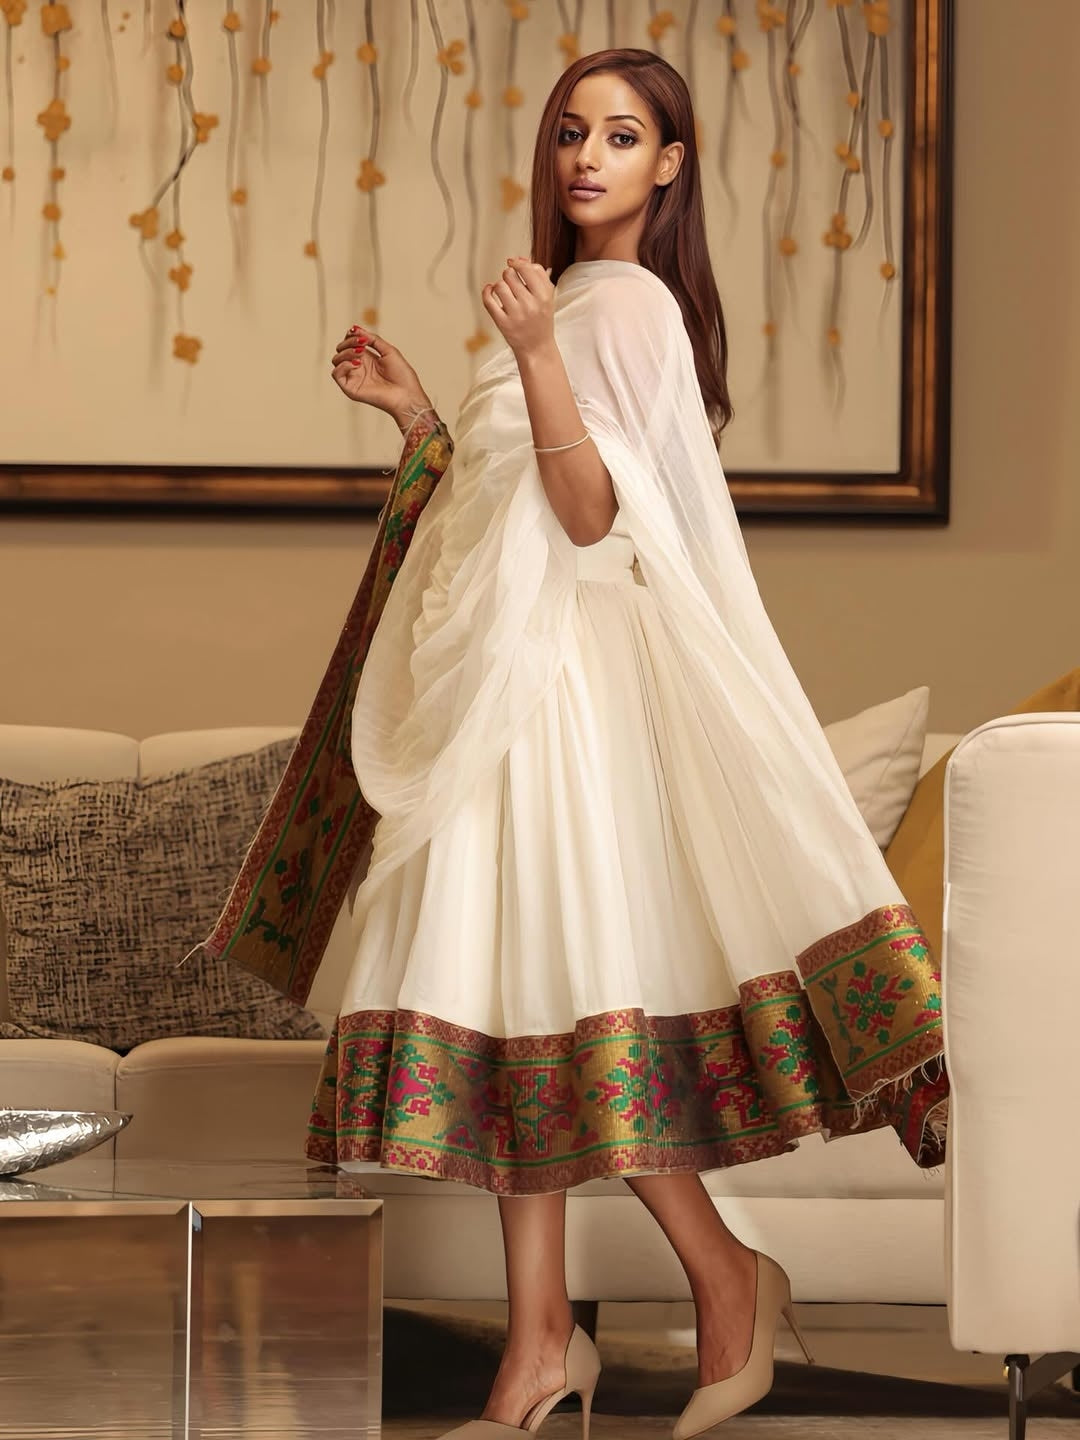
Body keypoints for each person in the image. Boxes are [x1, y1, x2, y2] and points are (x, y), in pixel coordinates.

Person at [194, 47, 946, 1440]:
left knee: (548, 994)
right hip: (502, 697)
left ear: (670, 166)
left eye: (621, 136)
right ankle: (547, 1340)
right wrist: (424, 414)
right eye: (567, 135)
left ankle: (714, 1281)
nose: (585, 158)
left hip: (561, 705)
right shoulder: (567, 304)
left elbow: (593, 517)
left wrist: (535, 354)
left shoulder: (630, 308)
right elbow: (499, 514)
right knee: (516, 1007)